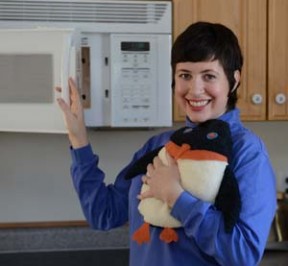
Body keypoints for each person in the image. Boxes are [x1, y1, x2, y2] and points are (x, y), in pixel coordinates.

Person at [56, 22, 277, 266]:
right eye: (185, 75)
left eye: (209, 76)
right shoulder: (159, 145)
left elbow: (243, 254)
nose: (195, 89)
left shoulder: (247, 153)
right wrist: (79, 140)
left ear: (233, 81)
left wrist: (176, 196)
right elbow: (103, 214)